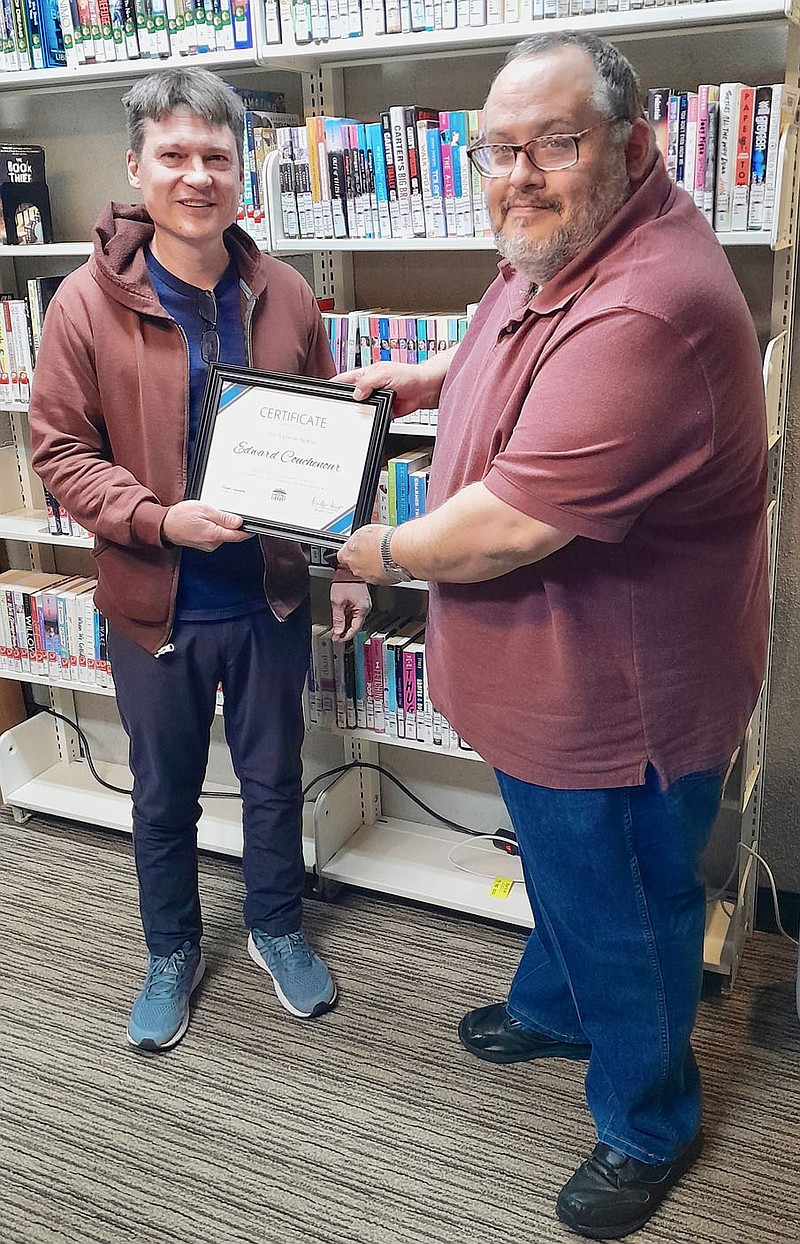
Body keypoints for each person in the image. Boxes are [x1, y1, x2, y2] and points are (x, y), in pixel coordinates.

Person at [337, 32, 768, 1241]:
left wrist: (374, 551)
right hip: (540, 682)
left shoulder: (651, 306)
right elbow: (500, 347)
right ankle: (559, 1003)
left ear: (633, 147)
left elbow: (504, 530)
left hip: (612, 702)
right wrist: (421, 381)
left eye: (554, 143)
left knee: (626, 904)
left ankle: (647, 1119)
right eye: (498, 148)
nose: (517, 172)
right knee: (564, 871)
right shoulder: (558, 244)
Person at [28, 67, 370, 1053]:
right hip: (154, 603)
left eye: (215, 156)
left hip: (265, 599)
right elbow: (59, 452)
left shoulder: (287, 292)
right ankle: (169, 948)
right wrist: (154, 518)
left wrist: (342, 558)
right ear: (136, 168)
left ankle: (274, 925)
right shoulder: (86, 306)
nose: (195, 175)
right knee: (162, 789)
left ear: (242, 171)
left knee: (273, 779)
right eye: (172, 155)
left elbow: (329, 439)